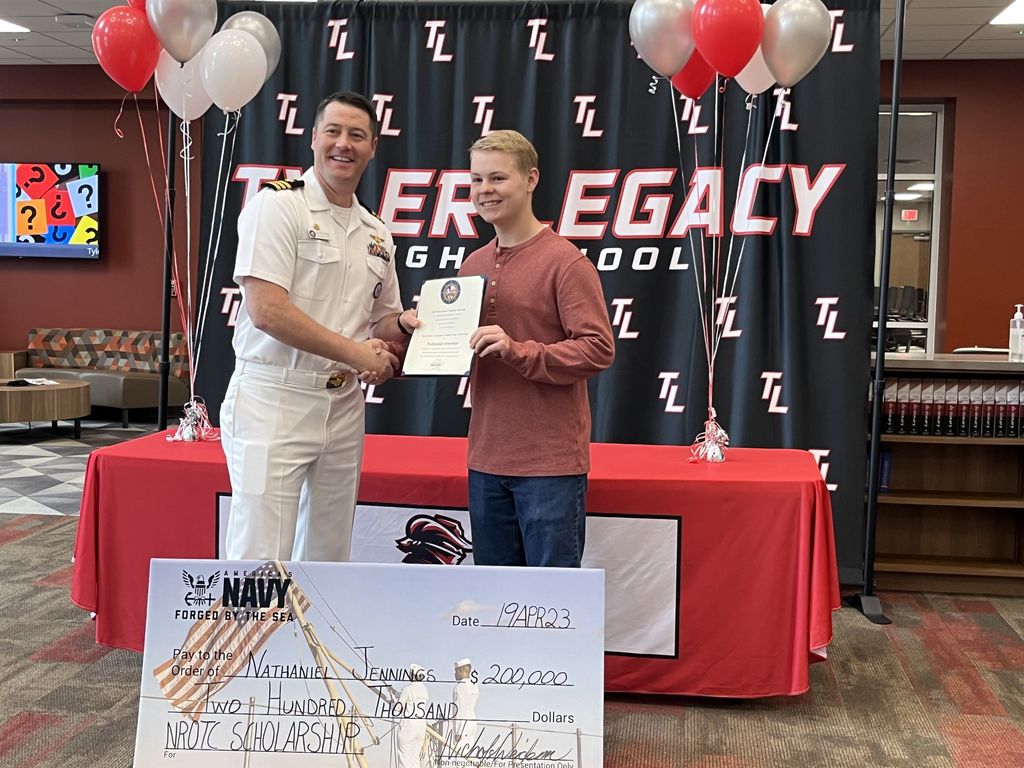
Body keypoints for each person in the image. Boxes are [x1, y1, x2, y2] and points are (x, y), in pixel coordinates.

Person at [221, 91, 419, 562]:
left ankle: (313, 640)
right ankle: (252, 639)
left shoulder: (376, 231)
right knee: (260, 554)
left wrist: (407, 328)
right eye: (333, 131)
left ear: (372, 147)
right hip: (274, 396)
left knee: (330, 550)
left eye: (357, 135)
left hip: (343, 403)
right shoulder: (277, 206)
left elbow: (381, 318)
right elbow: (268, 310)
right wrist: (357, 355)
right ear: (313, 138)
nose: (343, 144)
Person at [457, 130, 614, 567]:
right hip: (486, 459)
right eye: (476, 180)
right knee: (493, 603)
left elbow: (598, 349)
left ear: (531, 180)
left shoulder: (566, 262)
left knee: (553, 606)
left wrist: (517, 350)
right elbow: (455, 348)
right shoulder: (472, 265)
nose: (485, 191)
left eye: (497, 178)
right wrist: (417, 335)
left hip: (550, 466)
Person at [396, 664, 429, 768]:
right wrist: (397, 694)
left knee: (404, 757)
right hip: (420, 728)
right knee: (414, 758)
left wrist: (392, 700)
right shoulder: (424, 690)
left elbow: (398, 708)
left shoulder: (407, 689)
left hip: (408, 727)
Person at [451, 658, 479, 748]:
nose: (455, 674)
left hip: (462, 726)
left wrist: (458, 732)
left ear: (461, 670)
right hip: (472, 723)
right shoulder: (474, 686)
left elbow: (458, 710)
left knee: (459, 753)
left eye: (456, 671)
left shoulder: (459, 687)